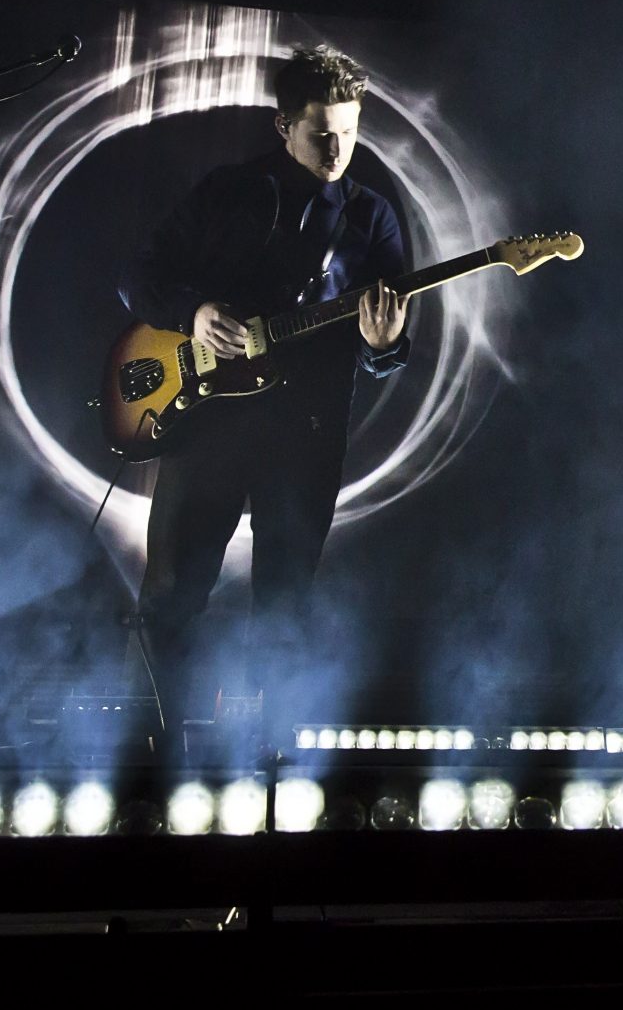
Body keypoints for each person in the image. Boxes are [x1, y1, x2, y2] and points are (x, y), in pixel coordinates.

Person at [117, 44, 409, 743]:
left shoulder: (372, 219)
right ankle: (154, 751)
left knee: (285, 607)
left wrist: (382, 345)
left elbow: (388, 354)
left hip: (304, 438)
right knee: (171, 597)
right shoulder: (228, 192)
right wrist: (193, 314)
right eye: (320, 132)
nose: (338, 147)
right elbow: (138, 276)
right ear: (284, 126)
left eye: (349, 128)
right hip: (208, 427)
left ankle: (264, 757)